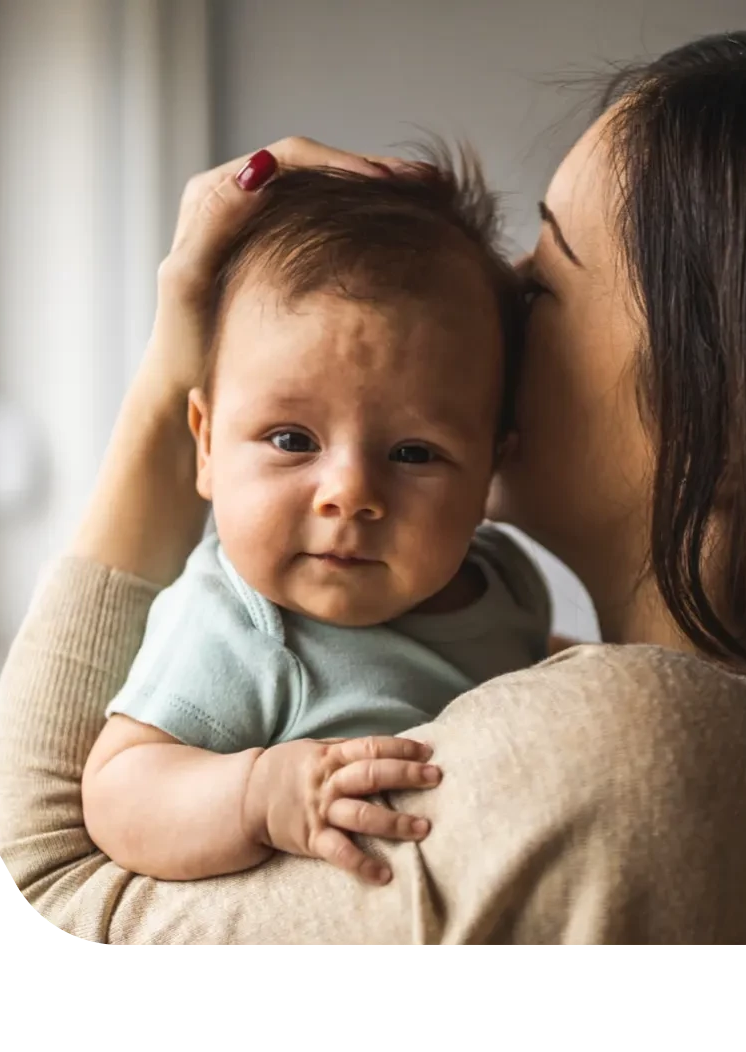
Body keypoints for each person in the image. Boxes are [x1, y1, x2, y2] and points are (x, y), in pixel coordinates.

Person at [0, 31, 746, 948]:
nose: (491, 304)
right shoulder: (721, 737)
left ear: (730, 408)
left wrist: (174, 369)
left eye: (544, 281)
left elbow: (43, 884)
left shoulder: (633, 762)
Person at [82, 150, 561, 887]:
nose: (350, 493)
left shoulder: (504, 579)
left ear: (490, 470)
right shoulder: (237, 626)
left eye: (413, 452)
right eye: (291, 440)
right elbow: (119, 790)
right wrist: (260, 795)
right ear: (206, 445)